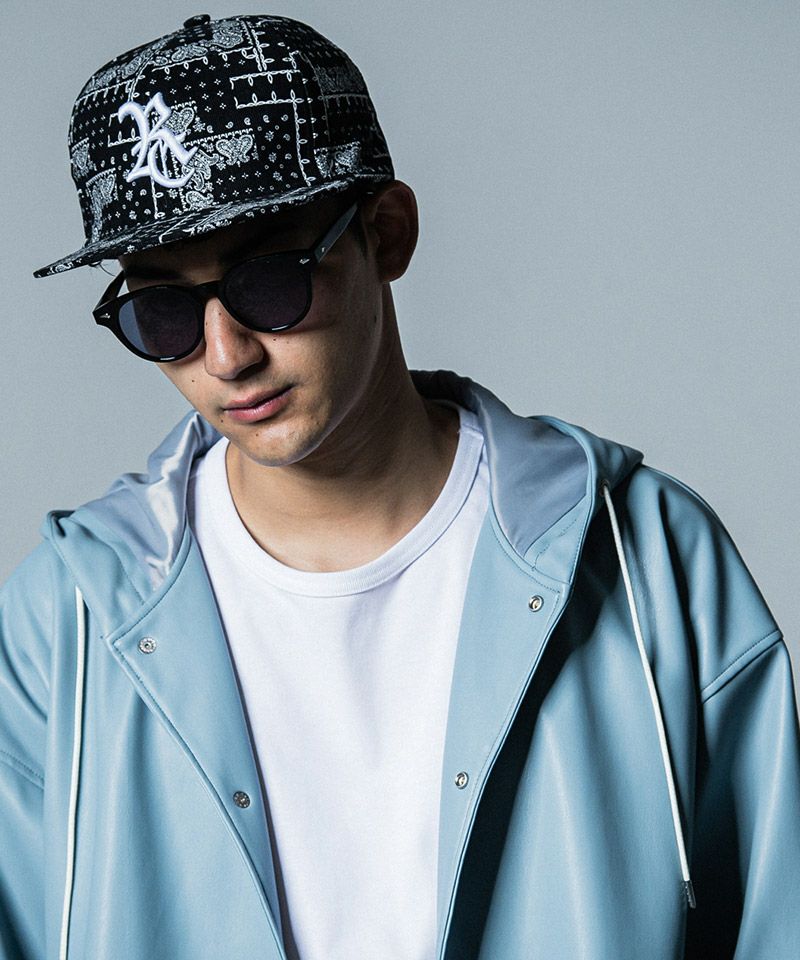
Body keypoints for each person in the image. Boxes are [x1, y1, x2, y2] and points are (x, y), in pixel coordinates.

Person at [2, 12, 798, 960]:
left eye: (270, 283)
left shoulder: (645, 557)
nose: (226, 355)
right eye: (162, 309)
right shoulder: (67, 618)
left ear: (387, 235)